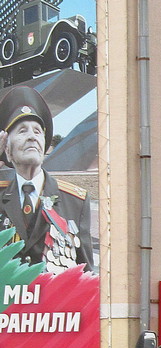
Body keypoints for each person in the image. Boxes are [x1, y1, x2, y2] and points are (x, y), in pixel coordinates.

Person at [0, 85, 93, 272]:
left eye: (37, 131)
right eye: (22, 131)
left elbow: (86, 275)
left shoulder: (75, 201)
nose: (31, 137)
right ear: (6, 149)